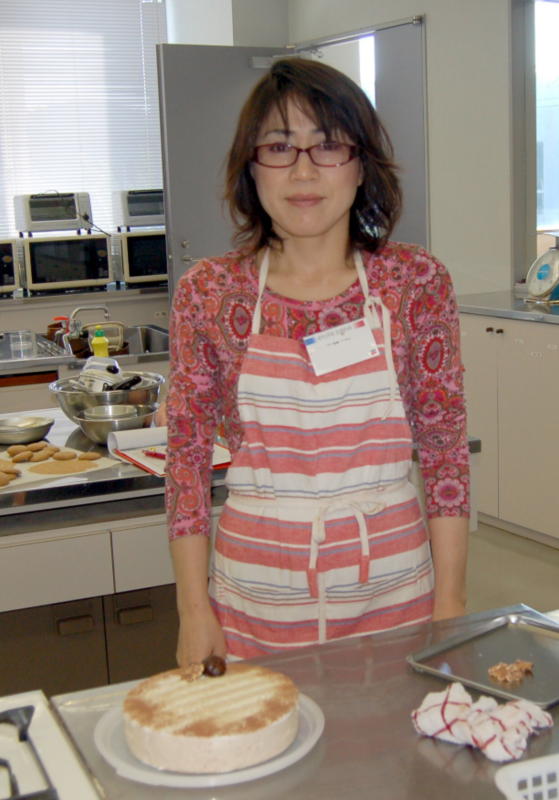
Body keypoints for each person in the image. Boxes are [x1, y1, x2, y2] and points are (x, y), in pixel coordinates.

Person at [166, 57, 469, 665]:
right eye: (279, 147)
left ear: (361, 166)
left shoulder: (414, 282)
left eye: (328, 145)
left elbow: (444, 452)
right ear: (252, 167)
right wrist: (193, 611)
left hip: (395, 589)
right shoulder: (210, 292)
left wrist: (452, 603)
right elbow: (188, 462)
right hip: (256, 596)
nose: (303, 171)